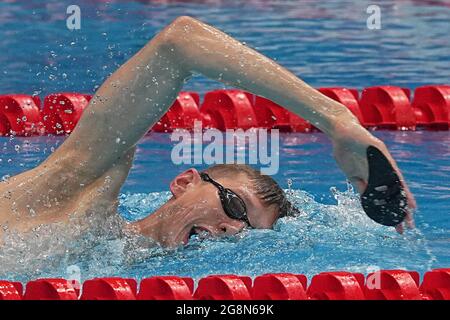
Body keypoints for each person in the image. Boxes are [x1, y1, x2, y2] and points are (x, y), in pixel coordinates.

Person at [0, 16, 416, 248]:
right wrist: (336, 119)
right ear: (183, 181)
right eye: (235, 206)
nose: (233, 229)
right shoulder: (78, 192)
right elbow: (181, 42)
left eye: (248, 229)